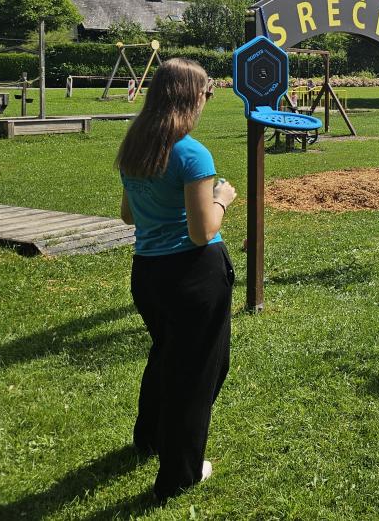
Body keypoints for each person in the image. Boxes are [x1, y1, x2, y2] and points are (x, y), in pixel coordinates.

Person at [116, 58, 237, 501]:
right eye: (207, 93)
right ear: (191, 97)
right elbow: (202, 231)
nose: (208, 101)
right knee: (197, 373)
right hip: (193, 276)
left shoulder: (135, 145)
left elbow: (128, 214)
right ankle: (181, 472)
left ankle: (149, 436)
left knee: (167, 354)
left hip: (148, 274)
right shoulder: (191, 152)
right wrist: (222, 197)